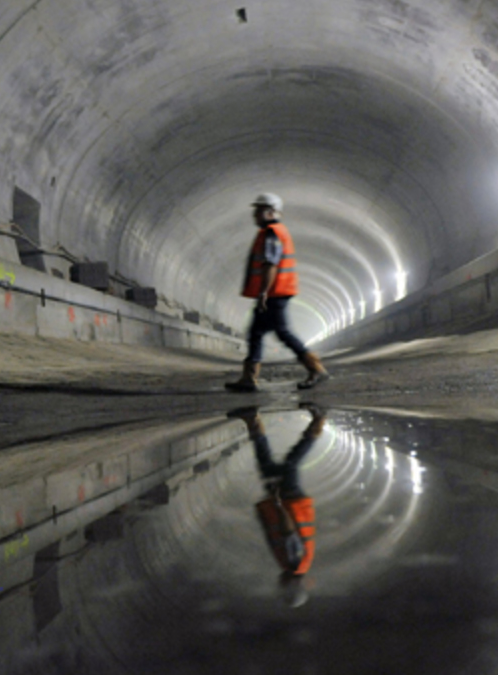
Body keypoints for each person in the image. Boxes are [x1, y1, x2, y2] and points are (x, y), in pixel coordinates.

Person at [225, 193, 330, 392]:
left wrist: (263, 292)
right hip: (275, 292)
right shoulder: (271, 232)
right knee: (256, 332)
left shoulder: (272, 233)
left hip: (275, 292)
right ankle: (249, 378)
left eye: (259, 210)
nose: (255, 215)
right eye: (255, 211)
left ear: (271, 212)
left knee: (282, 332)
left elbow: (270, 264)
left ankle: (315, 368)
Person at [228, 403, 326, 607]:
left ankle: (251, 419)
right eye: (283, 588)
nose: (278, 585)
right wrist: (278, 501)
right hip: (290, 502)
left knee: (267, 462)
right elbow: (288, 532)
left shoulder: (297, 566)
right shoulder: (294, 564)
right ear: (291, 585)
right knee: (291, 460)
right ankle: (319, 419)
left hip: (291, 502)